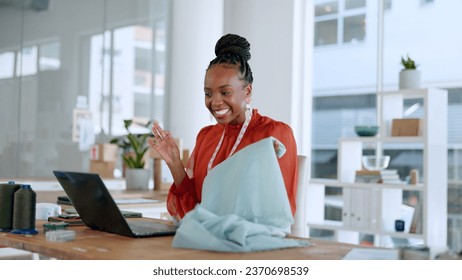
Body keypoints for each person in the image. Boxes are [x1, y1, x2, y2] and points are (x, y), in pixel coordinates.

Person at [149, 34, 298, 222]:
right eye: (208, 93)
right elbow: (193, 212)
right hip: (206, 241)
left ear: (248, 92)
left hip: (251, 244)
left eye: (225, 92)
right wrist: (175, 164)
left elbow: (277, 214)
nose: (215, 102)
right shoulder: (206, 136)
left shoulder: (274, 134)